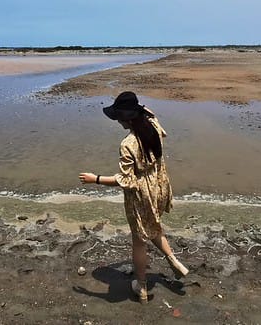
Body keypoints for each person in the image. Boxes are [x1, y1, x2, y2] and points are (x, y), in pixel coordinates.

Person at [79, 91, 189, 303]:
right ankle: (173, 260)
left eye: (119, 117)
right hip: (159, 185)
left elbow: (126, 181)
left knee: (139, 241)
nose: (118, 121)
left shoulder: (128, 143)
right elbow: (150, 112)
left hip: (141, 195)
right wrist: (138, 108)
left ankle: (141, 287)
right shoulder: (153, 125)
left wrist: (96, 179)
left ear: (128, 118)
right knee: (153, 225)